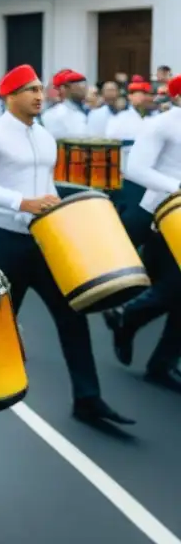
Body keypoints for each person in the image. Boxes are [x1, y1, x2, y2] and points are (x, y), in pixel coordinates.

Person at [0, 65, 131, 426]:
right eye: (29, 90)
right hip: (1, 239)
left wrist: (64, 220)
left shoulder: (43, 137)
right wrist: (22, 203)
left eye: (41, 89)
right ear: (10, 96)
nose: (39, 96)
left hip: (43, 239)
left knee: (72, 313)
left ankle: (88, 398)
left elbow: (47, 187)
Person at [103, 74, 181, 393]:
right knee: (175, 286)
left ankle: (160, 363)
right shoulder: (162, 124)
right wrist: (176, 187)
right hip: (165, 215)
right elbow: (134, 169)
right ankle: (129, 316)